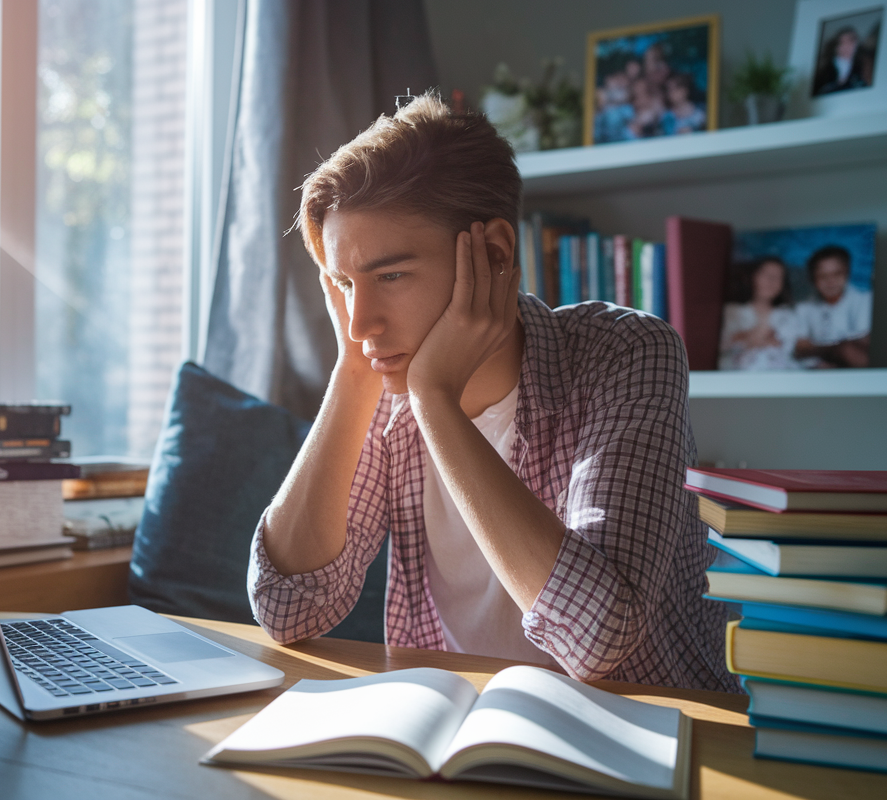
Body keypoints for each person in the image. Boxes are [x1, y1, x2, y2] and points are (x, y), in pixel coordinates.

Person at [247, 92, 738, 693]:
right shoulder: (379, 377)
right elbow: (286, 610)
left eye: (392, 276)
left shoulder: (627, 354)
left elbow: (598, 638)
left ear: (496, 253)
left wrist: (435, 400)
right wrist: (352, 371)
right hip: (457, 729)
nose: (361, 322)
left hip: (650, 736)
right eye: (346, 284)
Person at [717, 257, 802, 371]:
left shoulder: (789, 315)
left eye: (778, 276)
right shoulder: (731, 311)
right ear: (752, 277)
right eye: (765, 274)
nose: (771, 280)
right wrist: (748, 338)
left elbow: (792, 350)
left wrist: (746, 338)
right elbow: (719, 347)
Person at [794, 245, 872, 367]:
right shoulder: (803, 308)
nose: (831, 281)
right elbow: (799, 350)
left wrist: (815, 349)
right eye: (823, 276)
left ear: (847, 272)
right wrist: (838, 350)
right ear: (812, 279)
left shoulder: (865, 300)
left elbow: (860, 349)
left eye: (837, 274)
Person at [813, 26, 870, 95]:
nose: (847, 46)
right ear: (837, 47)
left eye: (851, 41)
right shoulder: (824, 69)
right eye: (843, 42)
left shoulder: (865, 65)